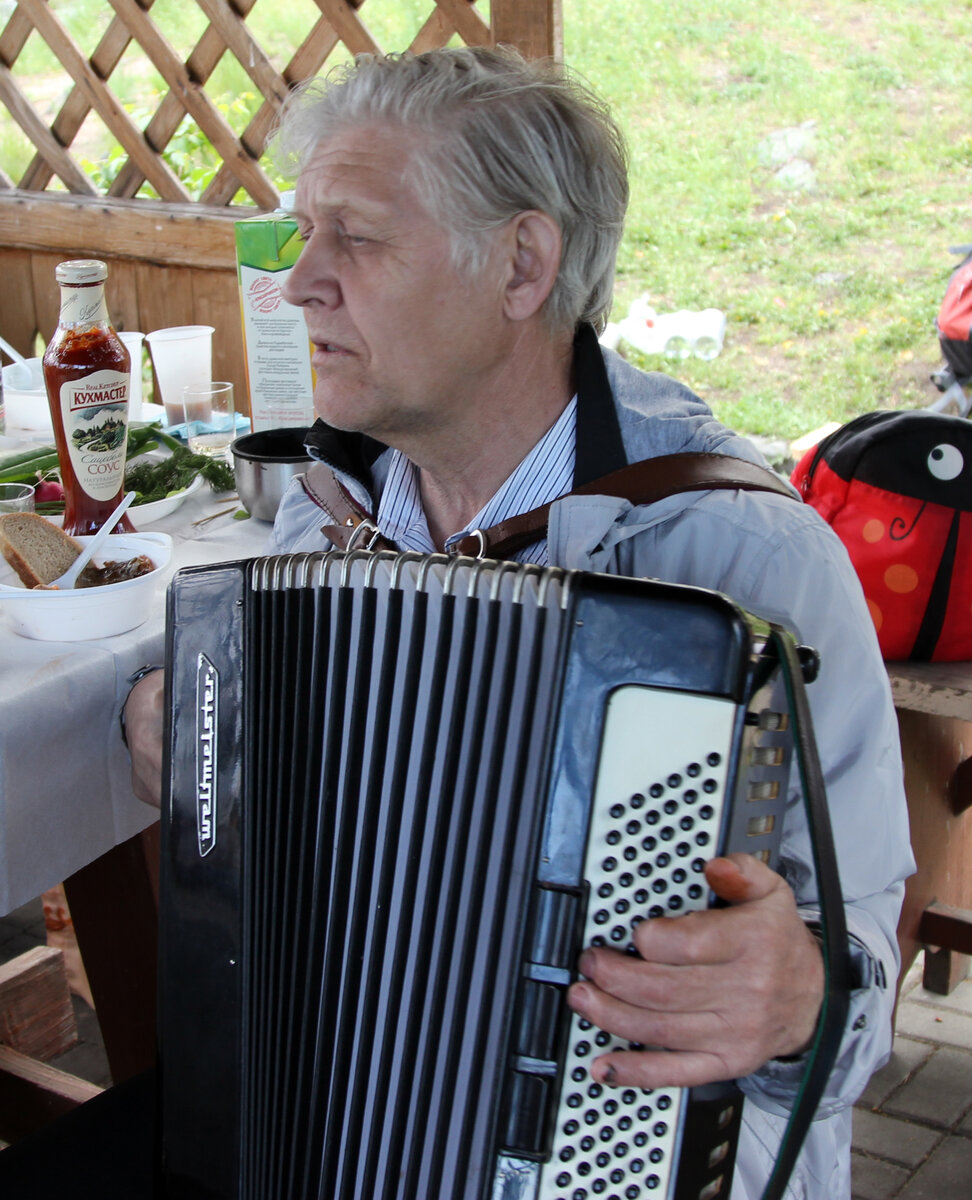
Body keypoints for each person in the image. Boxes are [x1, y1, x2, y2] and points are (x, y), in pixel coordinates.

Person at [121, 46, 912, 1199]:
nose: (299, 284)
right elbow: (199, 709)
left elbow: (863, 975)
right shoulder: (326, 513)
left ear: (521, 264)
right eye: (304, 234)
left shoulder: (741, 557)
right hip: (343, 1129)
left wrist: (796, 999)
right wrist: (164, 710)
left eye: (357, 235)